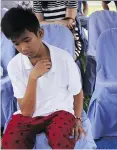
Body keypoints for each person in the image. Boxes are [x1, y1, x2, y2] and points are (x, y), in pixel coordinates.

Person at [1, 7, 85, 149]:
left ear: (40, 33)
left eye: (27, 40)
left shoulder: (63, 58)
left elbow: (77, 93)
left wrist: (77, 119)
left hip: (60, 112)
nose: (23, 48)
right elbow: (26, 112)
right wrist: (33, 77)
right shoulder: (14, 66)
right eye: (16, 43)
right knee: (10, 141)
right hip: (29, 116)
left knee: (61, 139)